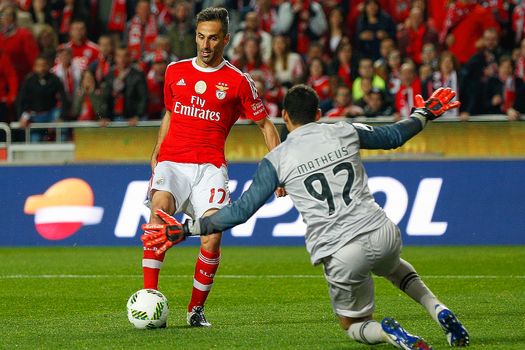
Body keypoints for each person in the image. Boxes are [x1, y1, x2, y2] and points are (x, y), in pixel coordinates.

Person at [143, 85, 470, 349]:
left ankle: (388, 334)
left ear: (285, 117)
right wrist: (425, 112)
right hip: (382, 230)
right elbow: (395, 136)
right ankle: (438, 310)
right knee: (394, 267)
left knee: (354, 326)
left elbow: (240, 212)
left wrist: (189, 228)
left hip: (341, 251)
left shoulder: (277, 160)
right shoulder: (343, 129)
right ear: (318, 114)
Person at [142, 7, 282, 328]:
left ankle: (195, 310)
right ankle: (150, 297)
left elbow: (265, 126)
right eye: (201, 37)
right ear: (195, 36)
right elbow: (170, 112)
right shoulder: (175, 71)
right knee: (158, 215)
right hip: (173, 162)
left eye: (213, 38)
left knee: (212, 237)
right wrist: (157, 149)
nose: (206, 45)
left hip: (210, 168)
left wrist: (279, 168)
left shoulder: (238, 82)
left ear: (226, 40)